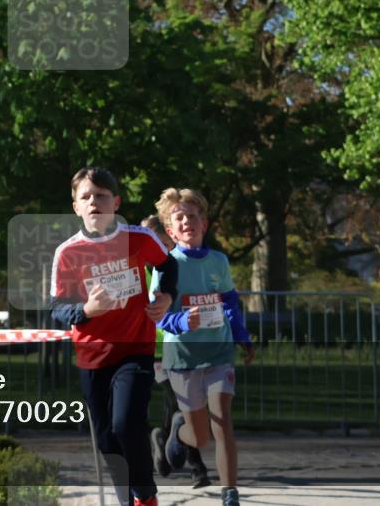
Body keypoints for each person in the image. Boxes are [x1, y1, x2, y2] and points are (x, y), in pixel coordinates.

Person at [50, 167, 179, 506]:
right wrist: (86, 311)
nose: (94, 202)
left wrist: (166, 295)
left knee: (125, 424)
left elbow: (168, 265)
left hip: (134, 348)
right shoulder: (67, 252)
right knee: (107, 439)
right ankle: (127, 498)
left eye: (102, 196)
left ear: (116, 202)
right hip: (92, 355)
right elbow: (57, 307)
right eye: (86, 197)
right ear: (76, 206)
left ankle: (145, 496)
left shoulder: (139, 238)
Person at [153, 189, 254, 506]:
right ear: (170, 230)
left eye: (192, 216)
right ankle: (177, 430)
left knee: (222, 421)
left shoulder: (218, 261)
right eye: (179, 217)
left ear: (204, 223)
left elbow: (230, 302)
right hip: (183, 357)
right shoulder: (166, 265)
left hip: (219, 353)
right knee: (200, 437)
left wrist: (241, 335)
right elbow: (158, 315)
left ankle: (230, 493)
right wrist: (183, 321)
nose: (187, 221)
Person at [140, 215, 210, 489]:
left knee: (178, 405)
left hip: (180, 344)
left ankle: (166, 444)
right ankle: (196, 466)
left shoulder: (174, 266)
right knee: (181, 405)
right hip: (154, 347)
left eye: (158, 242)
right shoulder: (142, 270)